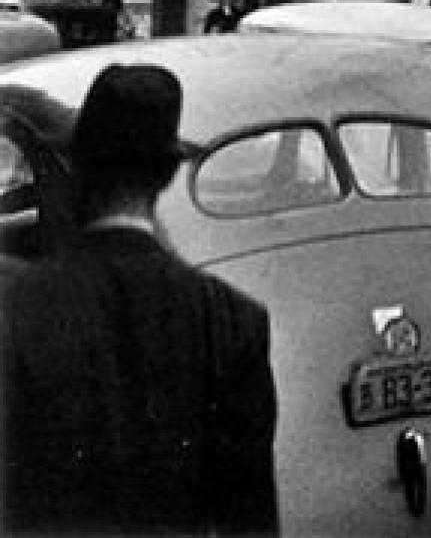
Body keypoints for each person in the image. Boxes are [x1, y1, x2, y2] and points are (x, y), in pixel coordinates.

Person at [0, 59, 280, 532]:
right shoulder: (233, 321)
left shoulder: (16, 308)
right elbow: (251, 520)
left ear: (82, 167)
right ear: (166, 176)